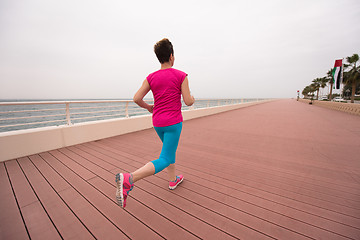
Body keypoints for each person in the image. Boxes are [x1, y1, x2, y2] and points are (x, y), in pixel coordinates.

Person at [116, 38, 195, 208]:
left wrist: (148, 108)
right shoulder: (181, 76)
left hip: (158, 122)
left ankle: (173, 180)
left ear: (159, 58)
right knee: (165, 157)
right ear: (172, 56)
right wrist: (193, 97)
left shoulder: (151, 77)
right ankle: (130, 178)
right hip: (173, 122)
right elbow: (188, 101)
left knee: (169, 150)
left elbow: (136, 98)